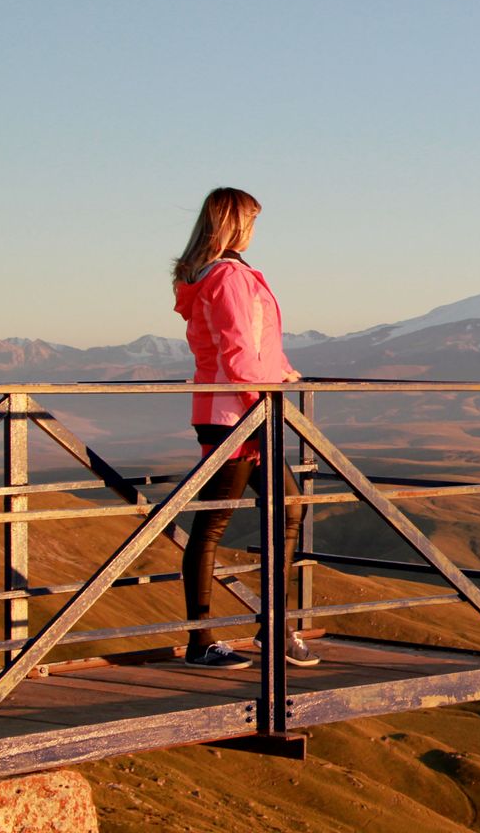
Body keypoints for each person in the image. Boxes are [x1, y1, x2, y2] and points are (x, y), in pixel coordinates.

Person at [172, 187, 318, 669]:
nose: (255, 230)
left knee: (287, 506)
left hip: (233, 410)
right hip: (236, 415)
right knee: (214, 525)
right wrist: (261, 407)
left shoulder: (212, 274)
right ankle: (202, 641)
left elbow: (253, 346)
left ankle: (270, 629)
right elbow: (238, 353)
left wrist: (283, 371)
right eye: (252, 221)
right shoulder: (230, 276)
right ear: (235, 224)